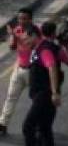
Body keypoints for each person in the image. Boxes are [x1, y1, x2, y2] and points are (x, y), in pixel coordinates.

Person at [13, 23, 68, 146]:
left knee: (28, 126)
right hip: (43, 94)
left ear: (34, 35)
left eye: (26, 39)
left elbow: (52, 67)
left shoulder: (44, 49)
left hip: (44, 94)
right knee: (45, 127)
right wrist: (66, 46)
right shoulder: (51, 47)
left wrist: (54, 93)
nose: (25, 42)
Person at [0, 8, 40, 136]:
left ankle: (38, 127)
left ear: (30, 19)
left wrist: (16, 35)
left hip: (33, 71)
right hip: (19, 69)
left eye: (24, 18)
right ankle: (3, 124)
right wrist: (12, 35)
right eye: (19, 19)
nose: (21, 21)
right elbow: (12, 47)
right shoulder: (17, 30)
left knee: (37, 100)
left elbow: (31, 44)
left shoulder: (35, 31)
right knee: (10, 97)